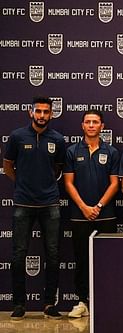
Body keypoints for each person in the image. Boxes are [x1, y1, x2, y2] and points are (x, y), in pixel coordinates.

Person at [3, 96, 66, 320]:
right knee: (19, 255)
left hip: (50, 204)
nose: (41, 115)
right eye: (38, 111)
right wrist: (22, 183)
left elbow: (58, 168)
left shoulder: (58, 140)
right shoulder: (17, 137)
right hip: (22, 203)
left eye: (45, 112)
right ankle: (19, 304)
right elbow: (8, 166)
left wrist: (45, 184)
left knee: (53, 254)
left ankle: (49, 303)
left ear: (51, 114)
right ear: (31, 113)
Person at [63, 110, 120, 318]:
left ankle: (105, 302)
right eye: (88, 122)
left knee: (106, 260)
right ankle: (82, 302)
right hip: (80, 215)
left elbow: (115, 183)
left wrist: (97, 206)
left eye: (95, 122)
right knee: (81, 260)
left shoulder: (112, 152)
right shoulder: (71, 151)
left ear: (102, 126)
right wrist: (84, 207)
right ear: (82, 126)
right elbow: (68, 182)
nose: (91, 125)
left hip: (105, 215)